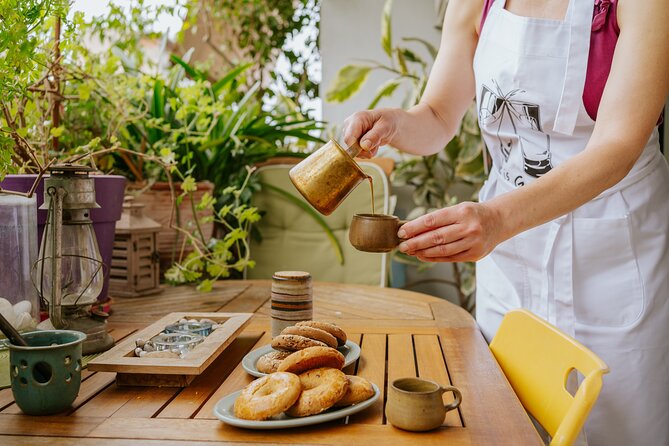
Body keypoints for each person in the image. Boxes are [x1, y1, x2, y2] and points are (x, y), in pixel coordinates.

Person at [342, 0, 669, 445]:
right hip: (510, 261)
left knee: (618, 428)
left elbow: (618, 145)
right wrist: (393, 125)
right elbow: (438, 115)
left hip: (611, 255)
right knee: (505, 424)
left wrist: (497, 218)